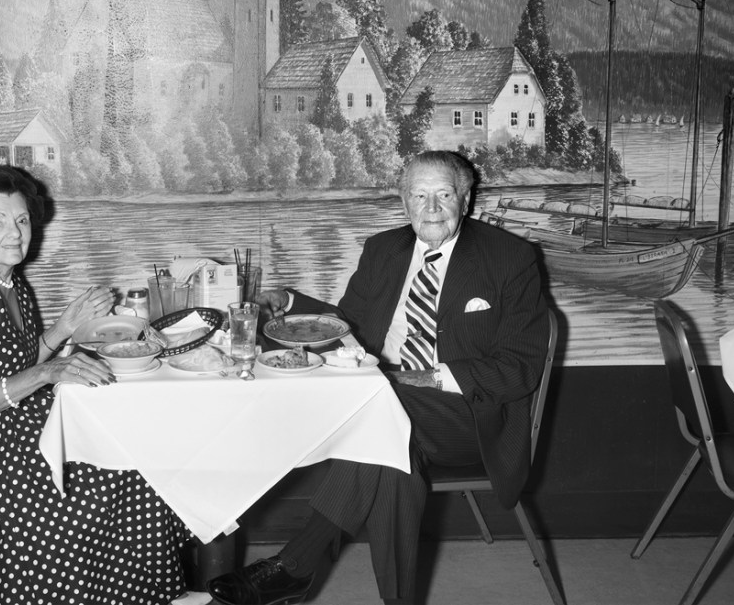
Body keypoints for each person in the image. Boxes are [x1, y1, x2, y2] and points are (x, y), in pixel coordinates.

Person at [208, 151, 550, 605]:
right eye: (419, 195)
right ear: (404, 202)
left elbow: (521, 367)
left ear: (465, 201)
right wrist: (290, 302)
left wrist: (427, 380)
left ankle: (296, 566)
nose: (431, 208)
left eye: (444, 195)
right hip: (386, 405)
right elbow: (349, 323)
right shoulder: (383, 249)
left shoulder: (510, 257)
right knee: (391, 456)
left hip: (471, 416)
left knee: (381, 413)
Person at [0, 164, 189, 605]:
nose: (15, 233)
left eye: (22, 220)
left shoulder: (8, 280)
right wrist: (49, 373)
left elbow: (14, 362)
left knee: (135, 448)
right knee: (132, 477)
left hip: (14, 425)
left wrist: (65, 326)